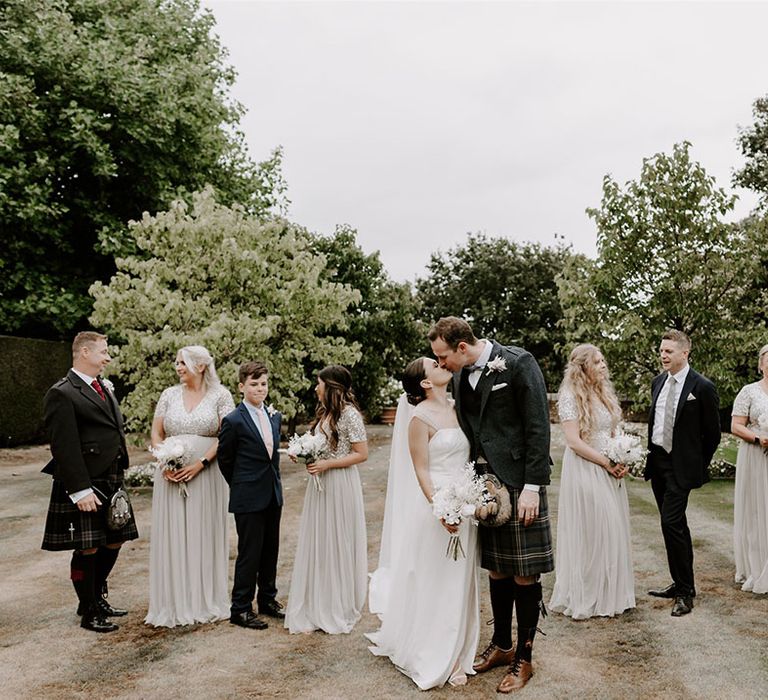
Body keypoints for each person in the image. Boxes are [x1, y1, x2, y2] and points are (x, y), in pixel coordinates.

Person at [428, 317, 553, 693]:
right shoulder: (460, 377)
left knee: (523, 573)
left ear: (462, 348)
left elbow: (537, 426)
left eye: (443, 355)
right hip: (483, 486)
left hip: (519, 483)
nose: (440, 363)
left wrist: (532, 486)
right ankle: (501, 644)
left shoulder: (517, 363)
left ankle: (525, 658)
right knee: (497, 569)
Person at [367, 357, 479, 690]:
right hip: (437, 504)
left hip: (465, 499)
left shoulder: (460, 408)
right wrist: (440, 509)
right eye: (434, 363)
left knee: (461, 579)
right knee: (437, 579)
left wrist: (466, 500)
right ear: (426, 383)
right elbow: (421, 470)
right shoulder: (418, 418)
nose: (442, 363)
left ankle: (459, 647)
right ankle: (439, 652)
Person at [41, 331, 138, 633]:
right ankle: (89, 609)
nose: (108, 357)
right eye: (103, 352)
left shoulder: (102, 387)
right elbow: (64, 446)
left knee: (115, 539)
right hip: (87, 478)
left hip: (110, 476)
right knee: (88, 548)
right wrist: (79, 489)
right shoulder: (63, 392)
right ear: (84, 352)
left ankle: (96, 595)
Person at [145, 345, 234, 627]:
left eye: (182, 362)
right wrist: (165, 460)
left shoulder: (221, 395)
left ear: (201, 366)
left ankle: (204, 598)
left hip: (207, 475)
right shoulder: (168, 395)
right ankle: (173, 600)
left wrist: (201, 464)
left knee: (203, 531)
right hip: (170, 476)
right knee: (173, 532)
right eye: (177, 362)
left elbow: (227, 435)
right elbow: (157, 432)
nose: (178, 367)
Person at [549, 344, 635, 619]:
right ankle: (586, 593)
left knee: (611, 531)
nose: (603, 365)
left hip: (609, 466)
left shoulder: (604, 393)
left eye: (602, 361)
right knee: (597, 527)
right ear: (583, 367)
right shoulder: (569, 395)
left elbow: (613, 430)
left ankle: (608, 593)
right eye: (597, 362)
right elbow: (573, 441)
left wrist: (622, 455)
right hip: (586, 467)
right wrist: (606, 462)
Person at [284, 365, 368, 634]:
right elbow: (320, 445)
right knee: (321, 540)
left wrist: (327, 465)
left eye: (318, 383)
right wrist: (302, 451)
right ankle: (318, 601)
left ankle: (337, 604)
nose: (315, 388)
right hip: (320, 484)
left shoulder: (349, 415)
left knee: (337, 539)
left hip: (340, 483)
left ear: (330, 386)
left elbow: (361, 454)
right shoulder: (326, 413)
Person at [645, 329, 720, 616]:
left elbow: (712, 434)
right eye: (661, 350)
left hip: (682, 467)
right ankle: (679, 583)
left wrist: (696, 465)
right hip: (659, 463)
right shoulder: (657, 382)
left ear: (684, 353)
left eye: (669, 351)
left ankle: (685, 593)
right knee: (675, 526)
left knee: (670, 522)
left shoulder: (702, 387)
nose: (663, 355)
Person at [217, 361, 284, 630]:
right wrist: (242, 484)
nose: (260, 388)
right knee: (250, 552)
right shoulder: (233, 420)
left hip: (272, 492)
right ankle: (241, 608)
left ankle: (268, 599)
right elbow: (225, 460)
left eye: (264, 383)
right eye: (254, 384)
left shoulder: (273, 416)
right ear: (241, 386)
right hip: (248, 495)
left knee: (271, 551)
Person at [730, 344, 768, 594]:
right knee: (758, 512)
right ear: (761, 364)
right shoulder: (749, 392)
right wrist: (758, 439)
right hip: (757, 456)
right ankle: (758, 568)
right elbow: (736, 426)